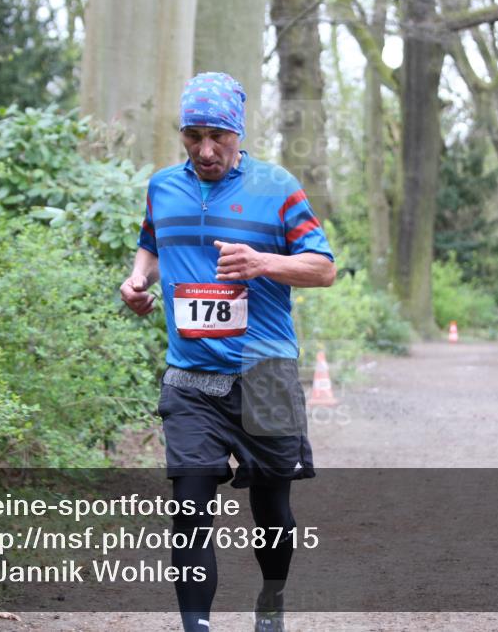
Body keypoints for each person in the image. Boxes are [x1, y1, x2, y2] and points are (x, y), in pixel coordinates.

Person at [120, 72, 336, 632]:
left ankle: (271, 600)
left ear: (238, 132)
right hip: (191, 379)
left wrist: (264, 262)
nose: (206, 149)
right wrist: (137, 280)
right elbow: (151, 242)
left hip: (265, 374)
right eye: (193, 136)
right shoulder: (163, 186)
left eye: (218, 136)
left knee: (273, 513)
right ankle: (197, 627)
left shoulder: (277, 186)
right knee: (190, 509)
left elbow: (324, 267)